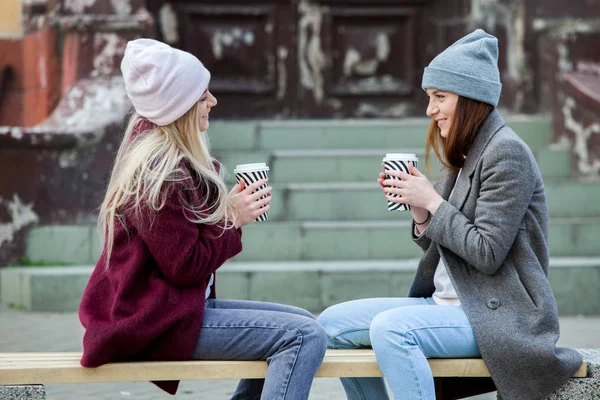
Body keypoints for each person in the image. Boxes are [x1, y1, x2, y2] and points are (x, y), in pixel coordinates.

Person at [317, 29, 583, 400]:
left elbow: (487, 253)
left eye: (440, 97)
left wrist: (435, 202)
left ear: (471, 98)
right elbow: (447, 244)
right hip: (449, 303)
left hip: (500, 314)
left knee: (391, 330)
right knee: (329, 325)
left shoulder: (508, 154)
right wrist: (421, 211)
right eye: (429, 98)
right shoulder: (464, 152)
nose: (430, 110)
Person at [78, 38, 327, 399]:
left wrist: (224, 210)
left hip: (171, 311)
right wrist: (233, 220)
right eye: (203, 95)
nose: (212, 101)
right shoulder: (157, 174)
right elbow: (185, 265)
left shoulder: (170, 163)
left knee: (303, 321)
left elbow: (180, 246)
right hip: (151, 322)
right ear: (178, 106)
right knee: (303, 336)